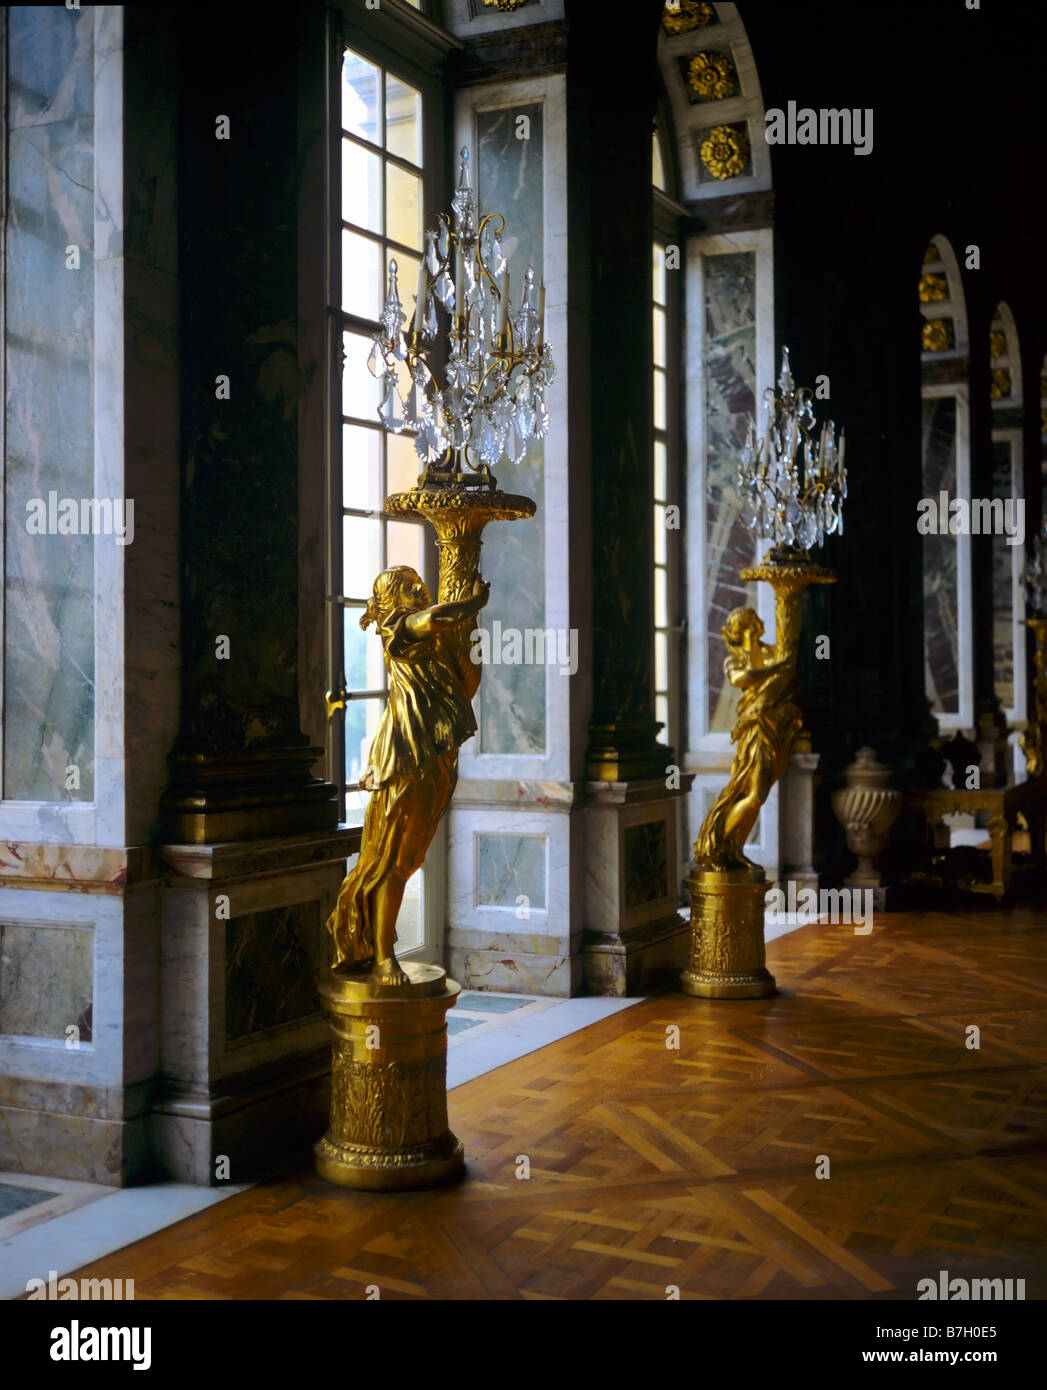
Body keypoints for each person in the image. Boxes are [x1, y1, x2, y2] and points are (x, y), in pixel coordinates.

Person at [327, 565, 490, 982]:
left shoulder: (428, 642)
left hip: (432, 756)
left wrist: (470, 622)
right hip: (407, 756)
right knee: (393, 862)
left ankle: (381, 949)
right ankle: (383, 955)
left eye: (420, 581)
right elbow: (436, 617)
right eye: (409, 585)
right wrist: (473, 604)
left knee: (409, 858)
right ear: (393, 599)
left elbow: (464, 687)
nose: (420, 587)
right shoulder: (397, 628)